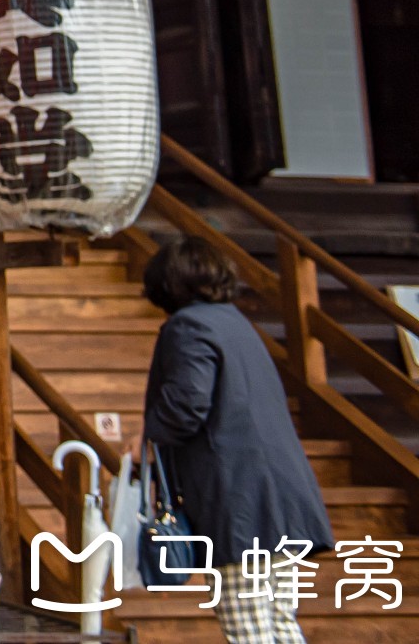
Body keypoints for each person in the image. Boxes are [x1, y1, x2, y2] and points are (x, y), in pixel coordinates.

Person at [142, 234, 334, 644]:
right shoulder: (236, 323)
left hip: (239, 500)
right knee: (280, 620)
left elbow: (188, 404)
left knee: (247, 626)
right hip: (280, 495)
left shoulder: (187, 326)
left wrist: (147, 434)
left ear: (168, 283)